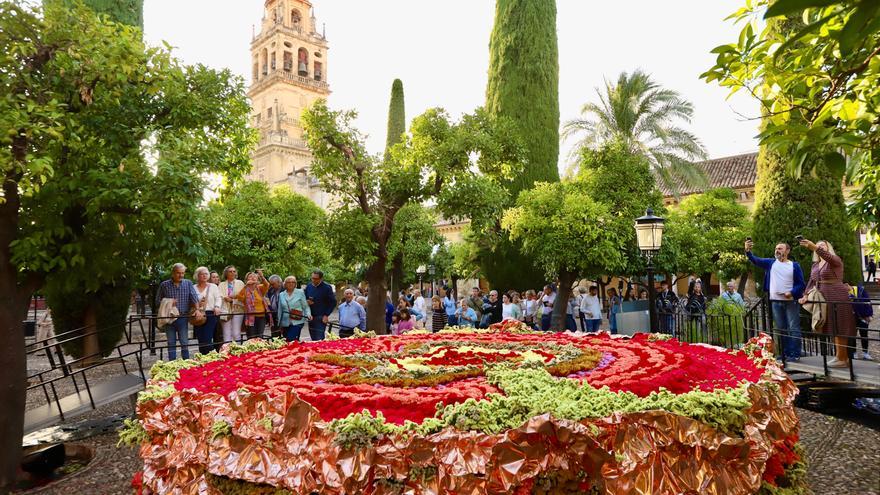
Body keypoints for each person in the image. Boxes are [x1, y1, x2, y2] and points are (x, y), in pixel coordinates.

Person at [799, 239, 855, 367]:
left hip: (837, 296)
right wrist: (806, 295)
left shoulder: (834, 260)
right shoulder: (815, 264)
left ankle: (843, 358)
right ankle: (839, 356)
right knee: (831, 326)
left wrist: (814, 247)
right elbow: (812, 281)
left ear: (828, 247)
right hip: (824, 298)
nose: (820, 247)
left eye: (822, 245)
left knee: (840, 325)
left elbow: (829, 257)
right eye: (818, 246)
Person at [746, 239, 806, 361]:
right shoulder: (771, 263)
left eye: (780, 248)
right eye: (776, 248)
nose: (777, 250)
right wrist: (748, 251)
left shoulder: (794, 265)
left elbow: (801, 284)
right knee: (781, 328)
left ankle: (794, 354)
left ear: (787, 251)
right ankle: (784, 353)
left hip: (790, 301)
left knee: (793, 327)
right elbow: (755, 260)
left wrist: (792, 292)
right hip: (775, 301)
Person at [156, 263, 201, 360]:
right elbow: (157, 301)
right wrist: (169, 302)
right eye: (178, 273)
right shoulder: (164, 285)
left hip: (183, 317)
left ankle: (186, 364)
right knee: (171, 343)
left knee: (184, 343)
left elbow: (194, 297)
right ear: (173, 273)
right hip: (169, 318)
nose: (181, 275)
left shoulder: (188, 283)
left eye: (182, 273)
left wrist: (197, 310)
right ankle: (172, 364)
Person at [232, 270, 270, 340]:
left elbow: (267, 285)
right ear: (247, 280)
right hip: (250, 317)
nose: (252, 278)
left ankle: (260, 350)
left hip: (261, 316)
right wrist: (246, 286)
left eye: (254, 276)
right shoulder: (245, 289)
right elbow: (239, 297)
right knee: (251, 338)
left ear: (257, 279)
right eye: (250, 276)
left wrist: (262, 276)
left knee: (260, 337)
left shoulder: (260, 288)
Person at [193, 266, 222, 354]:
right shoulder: (193, 287)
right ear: (197, 276)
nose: (204, 276)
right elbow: (190, 301)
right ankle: (203, 358)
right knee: (200, 338)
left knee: (207, 338)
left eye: (206, 274)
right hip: (198, 314)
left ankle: (211, 357)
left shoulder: (213, 286)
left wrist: (217, 306)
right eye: (202, 274)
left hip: (210, 314)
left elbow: (218, 298)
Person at [277, 276, 311, 342]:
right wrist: (279, 323)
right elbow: (280, 309)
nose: (291, 284)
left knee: (290, 339)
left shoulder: (300, 292)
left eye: (293, 282)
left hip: (298, 320)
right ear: (285, 284)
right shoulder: (281, 294)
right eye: (289, 282)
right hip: (285, 322)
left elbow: (305, 306)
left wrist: (308, 314)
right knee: (287, 340)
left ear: (295, 284)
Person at [304, 270, 336, 341]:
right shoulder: (309, 286)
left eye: (315, 279)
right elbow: (304, 298)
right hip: (310, 316)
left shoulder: (327, 287)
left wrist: (326, 315)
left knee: (319, 339)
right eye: (312, 278)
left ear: (321, 279)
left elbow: (333, 302)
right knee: (313, 338)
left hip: (321, 317)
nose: (313, 280)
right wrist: (307, 301)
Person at [218, 266, 245, 347]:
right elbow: (219, 296)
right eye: (230, 271)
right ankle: (227, 352)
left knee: (236, 332)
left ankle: (238, 350)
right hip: (225, 310)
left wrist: (233, 301)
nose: (232, 273)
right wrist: (225, 298)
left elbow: (243, 297)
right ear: (226, 273)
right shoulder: (221, 284)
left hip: (237, 309)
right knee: (226, 333)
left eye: (234, 271)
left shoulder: (240, 283)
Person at [851, 283, 873, 360]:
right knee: (852, 335)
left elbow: (868, 302)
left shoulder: (861, 290)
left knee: (864, 334)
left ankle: (865, 353)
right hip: (852, 317)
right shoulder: (845, 293)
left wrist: (869, 314)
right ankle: (853, 352)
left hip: (863, 317)